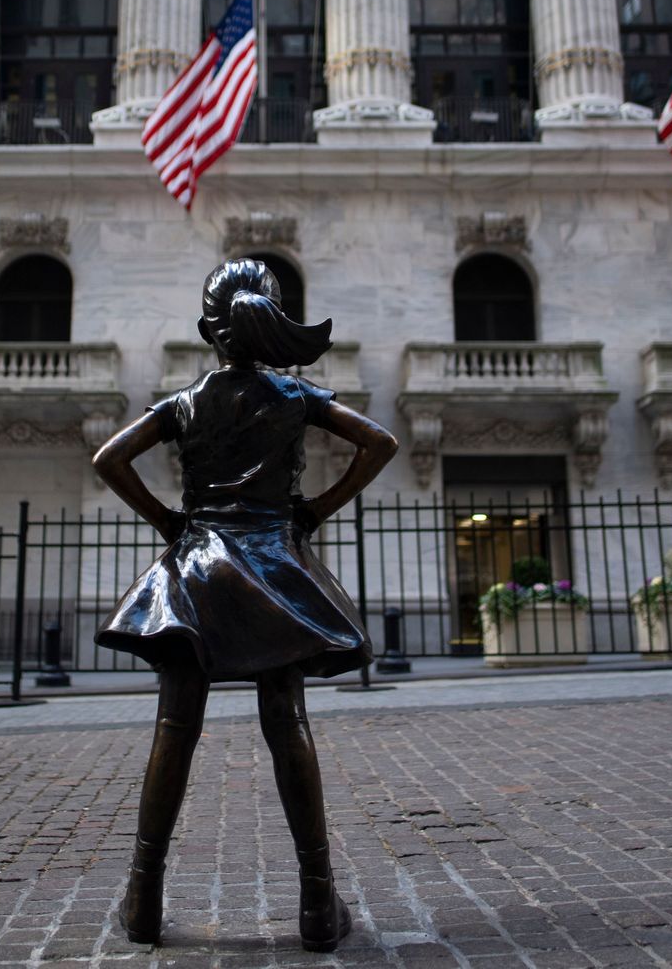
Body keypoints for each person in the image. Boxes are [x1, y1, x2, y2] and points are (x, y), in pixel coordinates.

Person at [92, 259, 398, 953]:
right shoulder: (294, 394)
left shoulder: (184, 401)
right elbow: (380, 443)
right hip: (273, 566)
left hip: (197, 567)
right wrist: (315, 509)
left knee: (175, 727)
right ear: (272, 321)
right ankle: (317, 901)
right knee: (287, 722)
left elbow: (108, 459)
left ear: (209, 331)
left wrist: (167, 522)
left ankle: (143, 899)